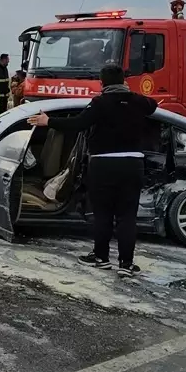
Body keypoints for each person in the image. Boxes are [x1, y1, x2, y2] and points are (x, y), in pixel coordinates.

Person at [28, 65, 158, 276]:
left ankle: (101, 257)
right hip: (133, 164)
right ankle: (126, 264)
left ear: (102, 83)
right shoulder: (138, 101)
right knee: (127, 216)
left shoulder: (100, 103)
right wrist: (129, 93)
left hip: (104, 164)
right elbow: (152, 105)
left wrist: (48, 121)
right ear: (123, 81)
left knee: (103, 213)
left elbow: (78, 124)